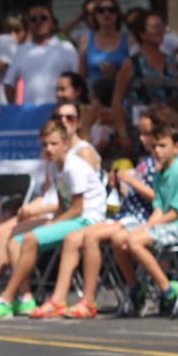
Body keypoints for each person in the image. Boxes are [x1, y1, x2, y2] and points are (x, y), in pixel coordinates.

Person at [0, 117, 107, 319]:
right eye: (45, 144)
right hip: (70, 217)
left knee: (31, 238)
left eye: (54, 144)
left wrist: (51, 225)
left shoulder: (74, 167)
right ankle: (26, 298)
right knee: (14, 242)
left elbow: (78, 209)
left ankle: (6, 298)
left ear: (66, 145)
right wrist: (48, 221)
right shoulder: (54, 167)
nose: (49, 149)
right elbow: (64, 204)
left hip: (88, 219)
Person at [36, 111, 159, 320]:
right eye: (141, 133)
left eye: (148, 134)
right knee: (73, 238)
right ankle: (58, 298)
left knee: (90, 236)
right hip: (125, 215)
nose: (142, 139)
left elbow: (158, 200)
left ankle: (89, 300)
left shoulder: (164, 166)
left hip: (143, 219)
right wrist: (121, 184)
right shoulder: (143, 163)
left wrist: (131, 182)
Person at [110, 119, 178, 315]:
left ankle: (168, 290)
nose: (157, 151)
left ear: (177, 147)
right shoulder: (159, 174)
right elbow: (158, 209)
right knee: (118, 237)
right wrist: (145, 226)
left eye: (163, 146)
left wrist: (144, 229)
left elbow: (175, 212)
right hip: (167, 223)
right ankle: (137, 289)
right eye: (154, 146)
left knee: (134, 241)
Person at [112, 10, 178, 154]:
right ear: (142, 33)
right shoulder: (132, 63)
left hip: (170, 132)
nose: (159, 31)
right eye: (154, 27)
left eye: (161, 27)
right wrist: (123, 133)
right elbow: (117, 99)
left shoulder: (172, 62)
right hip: (142, 134)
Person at [4, 5, 79, 106]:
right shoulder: (21, 51)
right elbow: (9, 83)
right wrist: (14, 109)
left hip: (60, 115)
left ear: (52, 23)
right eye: (33, 19)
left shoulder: (66, 48)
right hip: (31, 115)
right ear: (29, 25)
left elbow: (79, 80)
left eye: (43, 18)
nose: (38, 22)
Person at [77, 0, 127, 106]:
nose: (106, 14)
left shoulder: (129, 40)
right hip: (95, 101)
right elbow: (81, 76)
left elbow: (136, 75)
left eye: (111, 10)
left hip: (123, 100)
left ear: (118, 14)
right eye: (101, 10)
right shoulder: (86, 39)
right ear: (95, 15)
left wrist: (117, 73)